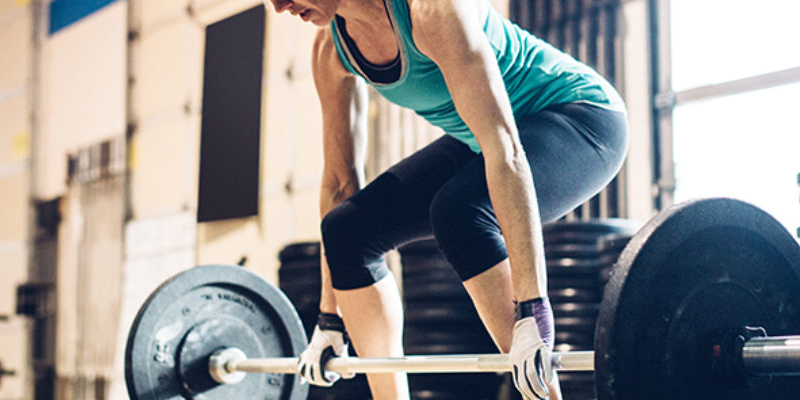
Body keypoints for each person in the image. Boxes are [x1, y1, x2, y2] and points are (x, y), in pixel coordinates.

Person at [269, 0, 628, 398]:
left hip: (582, 117)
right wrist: (329, 316)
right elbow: (339, 183)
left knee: (459, 212)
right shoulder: (331, 48)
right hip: (481, 138)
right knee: (345, 230)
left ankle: (542, 396)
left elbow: (505, 150)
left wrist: (532, 310)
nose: (279, 6)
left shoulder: (433, 11)